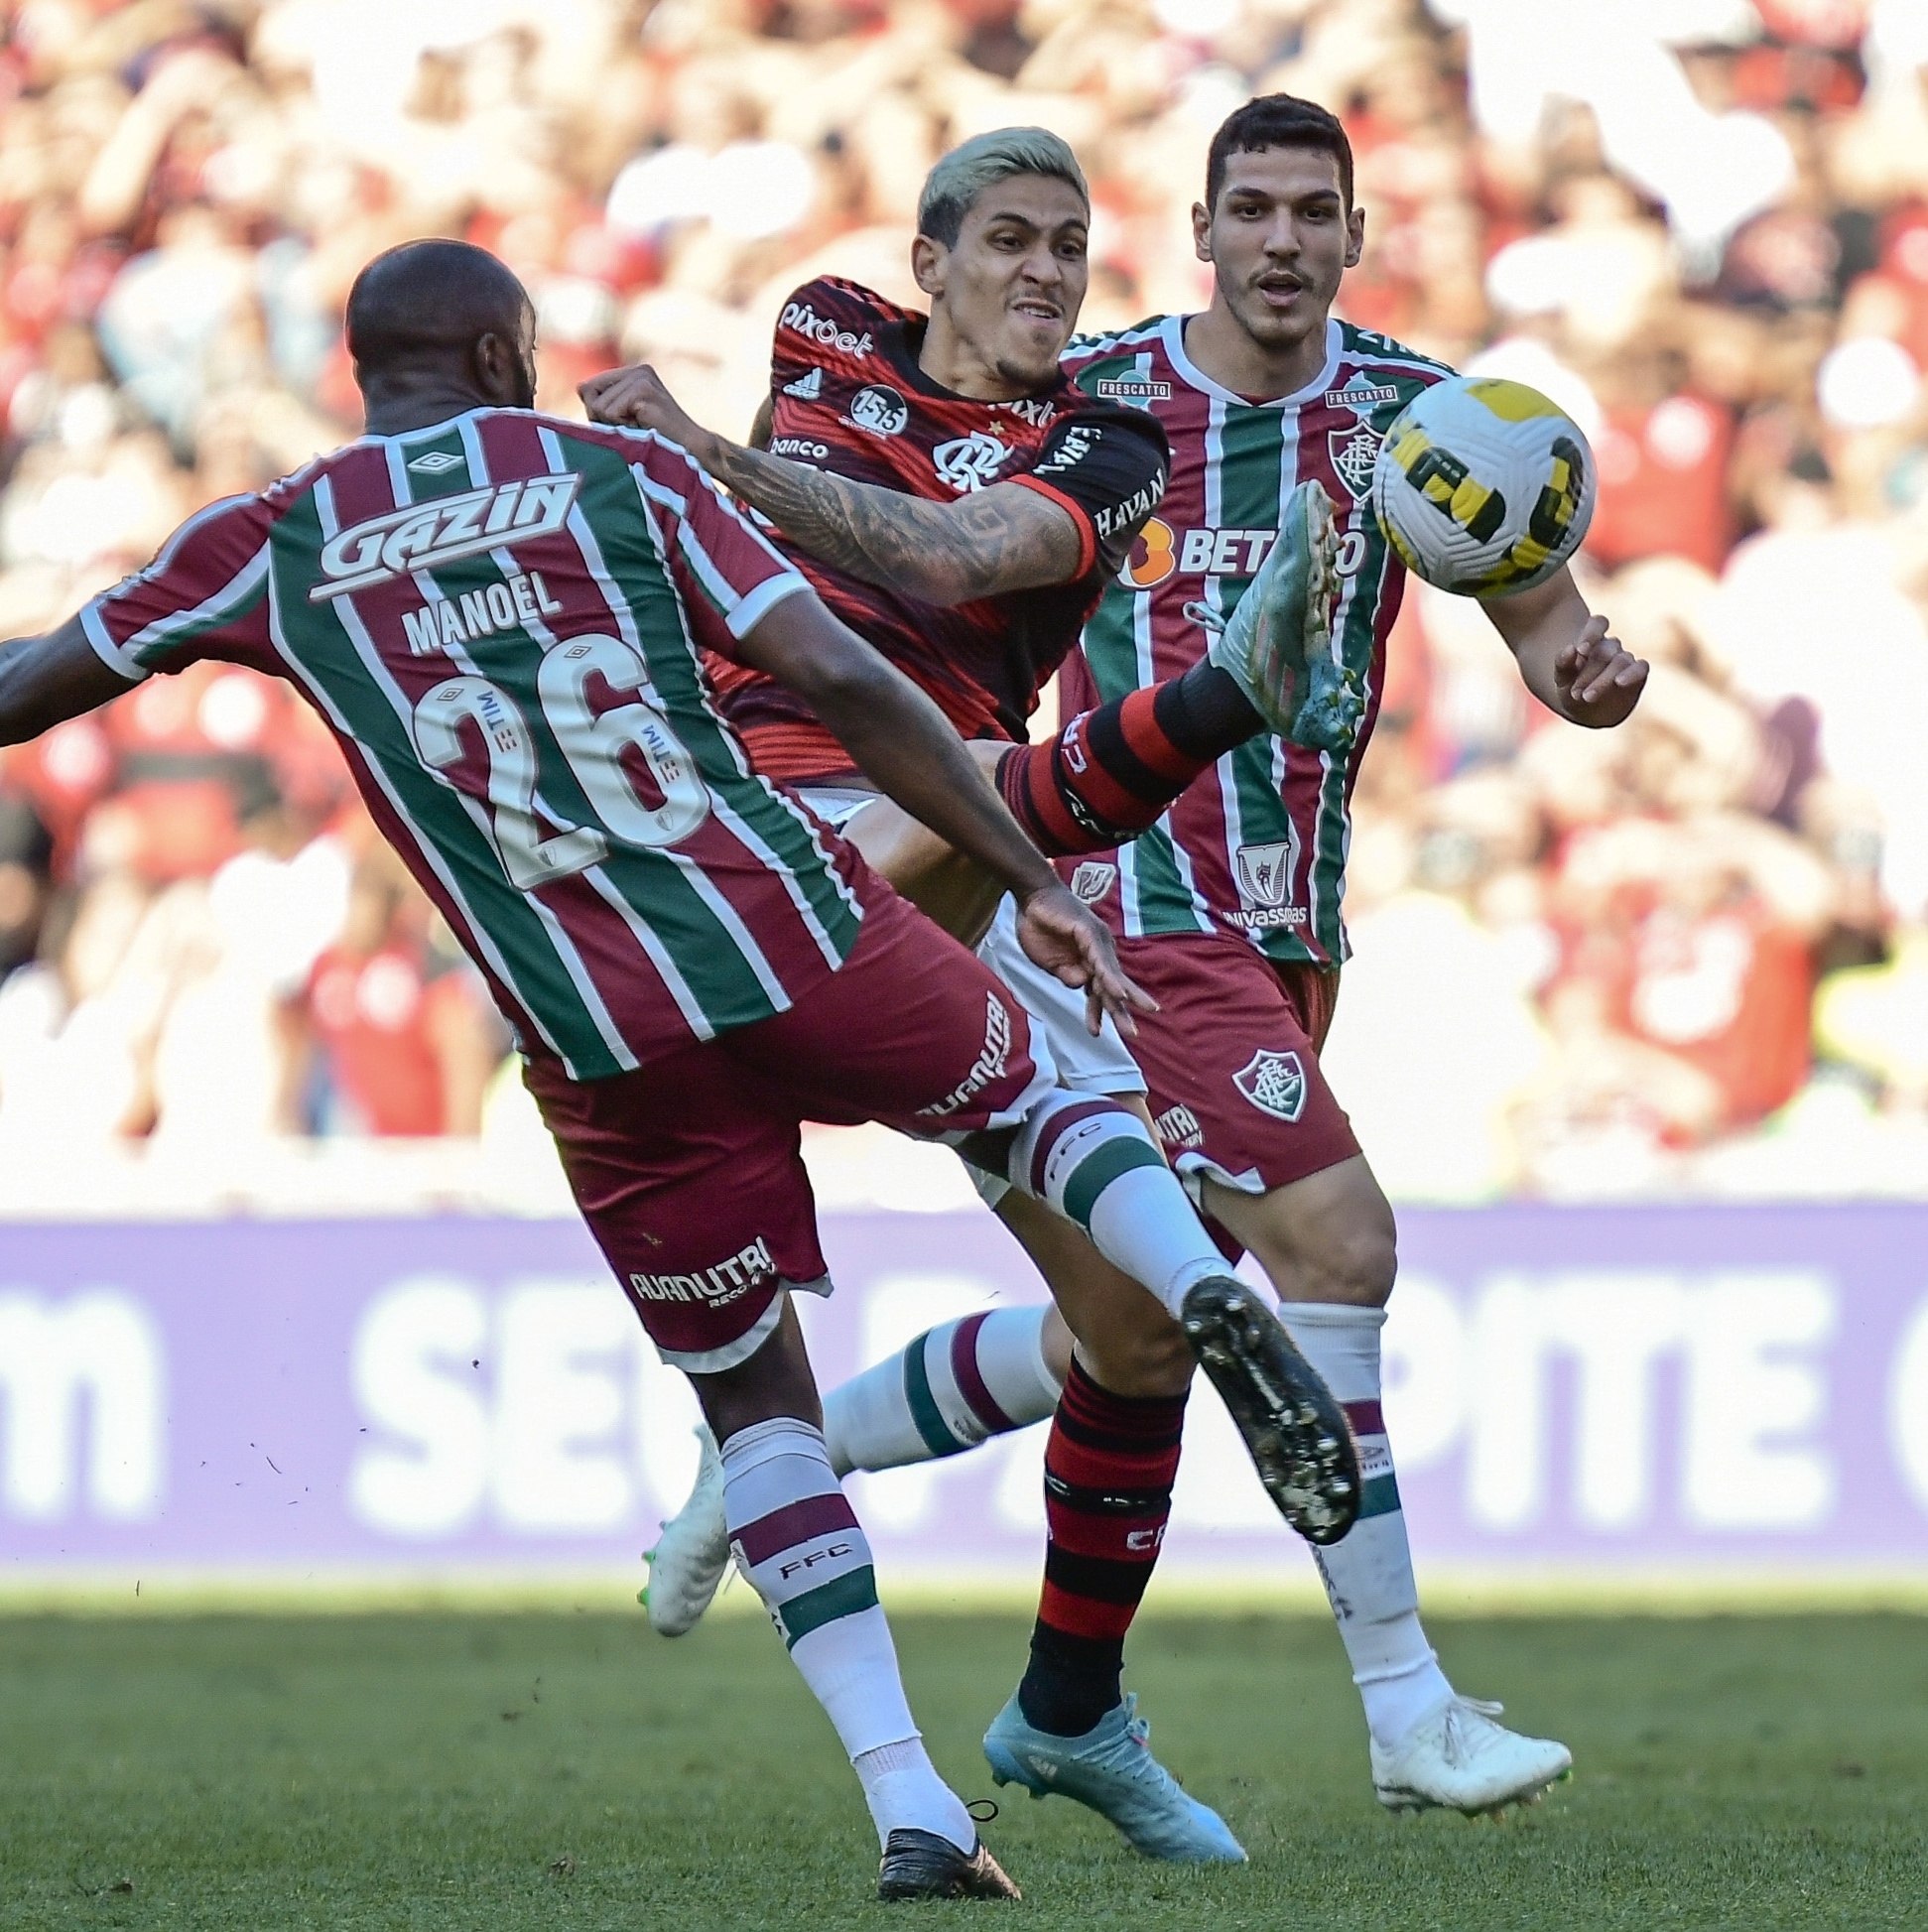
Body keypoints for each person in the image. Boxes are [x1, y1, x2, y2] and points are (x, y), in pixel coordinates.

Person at [0, 235, 1358, 1905]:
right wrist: (1026, 871)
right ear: (507, 357)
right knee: (1046, 1105)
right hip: (789, 934)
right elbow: (848, 678)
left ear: (367, 372)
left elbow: (25, 689)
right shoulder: (617, 468)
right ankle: (1187, 1284)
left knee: (751, 1407)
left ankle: (911, 1806)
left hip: (596, 1042)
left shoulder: (267, 539)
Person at [618, 99, 1649, 1827]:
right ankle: (1408, 1707)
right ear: (1200, 228)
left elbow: (1539, 617)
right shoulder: (1099, 404)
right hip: (1125, 894)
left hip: (1292, 916)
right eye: (1250, 210)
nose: (1282, 242)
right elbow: (939, 541)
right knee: (1338, 1244)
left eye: (1314, 213)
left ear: (1355, 233)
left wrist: (1586, 672)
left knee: (1122, 1330)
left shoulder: (1420, 416)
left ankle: (870, 1540)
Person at [583, 126, 1362, 1865]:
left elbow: (948, 561)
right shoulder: (824, 326)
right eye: (1009, 241)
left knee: (1139, 1340)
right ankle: (1228, 702)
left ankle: (1065, 1710)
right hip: (763, 824)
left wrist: (709, 458)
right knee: (970, 806)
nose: (1045, 275)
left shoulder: (1109, 441)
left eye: (1072, 250)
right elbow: (832, 574)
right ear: (928, 261)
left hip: (956, 839)